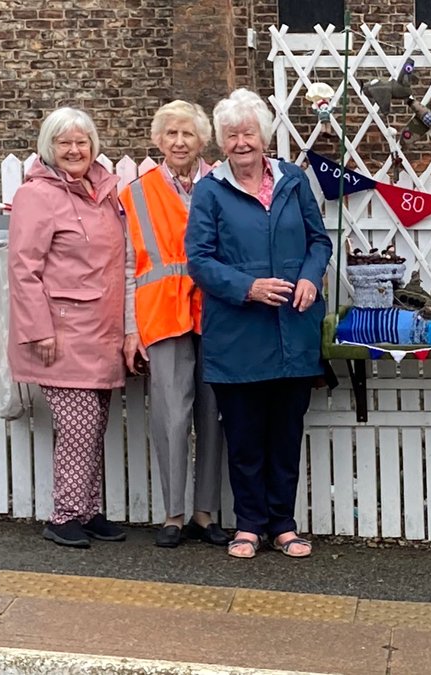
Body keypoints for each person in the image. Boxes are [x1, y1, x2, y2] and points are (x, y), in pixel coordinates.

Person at [186, 88, 333, 559]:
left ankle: (284, 525)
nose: (241, 142)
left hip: (293, 329)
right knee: (246, 438)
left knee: (285, 435)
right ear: (222, 142)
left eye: (248, 132)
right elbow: (200, 261)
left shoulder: (292, 181)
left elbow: (319, 241)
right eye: (232, 135)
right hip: (239, 334)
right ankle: (249, 525)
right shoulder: (210, 190)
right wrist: (249, 288)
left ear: (263, 135)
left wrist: (310, 277)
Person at [7, 107, 128, 548]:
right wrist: (38, 330)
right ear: (49, 148)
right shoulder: (36, 195)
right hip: (60, 333)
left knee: (93, 426)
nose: (75, 150)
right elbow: (24, 268)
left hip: (101, 332)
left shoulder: (105, 190)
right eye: (64, 143)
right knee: (77, 429)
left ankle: (86, 510)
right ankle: (63, 516)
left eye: (82, 141)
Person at [120, 101, 228, 549]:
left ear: (203, 141)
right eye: (171, 134)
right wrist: (130, 328)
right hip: (162, 315)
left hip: (218, 314)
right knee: (170, 416)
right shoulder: (137, 192)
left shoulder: (222, 185)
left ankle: (204, 514)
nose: (179, 142)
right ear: (157, 140)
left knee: (213, 414)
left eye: (187, 134)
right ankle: (172, 514)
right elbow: (128, 266)